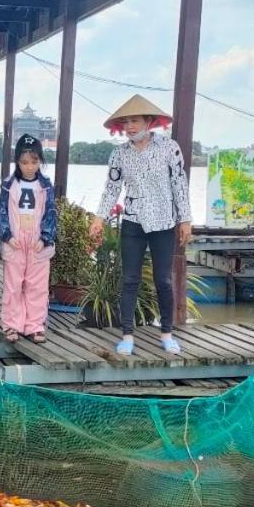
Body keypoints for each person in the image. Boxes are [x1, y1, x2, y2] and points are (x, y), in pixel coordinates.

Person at [89, 94, 192, 356]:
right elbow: (111, 189)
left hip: (164, 222)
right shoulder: (119, 154)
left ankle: (167, 333)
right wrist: (99, 218)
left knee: (163, 280)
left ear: (149, 121)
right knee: (130, 279)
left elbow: (180, 184)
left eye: (135, 121)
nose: (130, 127)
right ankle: (127, 335)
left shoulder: (170, 148)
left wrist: (185, 219)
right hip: (134, 221)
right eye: (126, 122)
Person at [0, 134, 58, 344]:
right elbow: (2, 212)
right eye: (24, 162)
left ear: (40, 161)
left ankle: (34, 325)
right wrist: (6, 235)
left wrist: (45, 237)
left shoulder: (46, 185)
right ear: (17, 162)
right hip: (15, 239)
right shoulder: (8, 184)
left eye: (34, 162)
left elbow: (51, 212)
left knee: (37, 285)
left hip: (37, 241)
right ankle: (11, 325)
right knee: (13, 284)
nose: (29, 167)